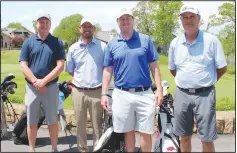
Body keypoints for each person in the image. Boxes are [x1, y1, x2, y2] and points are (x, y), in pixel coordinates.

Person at [101, 8, 163, 152]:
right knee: (127, 131)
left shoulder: (145, 40)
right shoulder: (112, 44)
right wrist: (104, 94)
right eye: (122, 19)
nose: (125, 21)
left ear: (133, 20)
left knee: (146, 132)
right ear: (117, 22)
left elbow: (154, 67)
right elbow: (107, 70)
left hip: (144, 93)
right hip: (122, 94)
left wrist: (159, 89)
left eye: (128, 18)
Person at [168, 5, 227, 152]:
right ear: (181, 20)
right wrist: (188, 82)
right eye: (185, 17)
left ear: (199, 19)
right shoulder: (175, 43)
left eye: (192, 16)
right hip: (182, 94)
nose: (188, 20)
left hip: (205, 94)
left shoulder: (211, 40)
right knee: (184, 136)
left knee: (206, 138)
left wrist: (205, 82)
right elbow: (172, 69)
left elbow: (222, 68)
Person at [19, 13, 65, 152]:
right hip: (32, 88)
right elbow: (23, 65)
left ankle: (54, 148)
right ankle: (31, 149)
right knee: (31, 121)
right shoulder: (28, 42)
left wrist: (44, 81)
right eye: (41, 22)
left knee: (52, 121)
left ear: (50, 24)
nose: (44, 25)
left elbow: (60, 66)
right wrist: (35, 82)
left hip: (50, 87)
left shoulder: (57, 42)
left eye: (46, 22)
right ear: (36, 24)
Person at [65, 18, 106, 152]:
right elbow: (71, 70)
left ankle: (97, 149)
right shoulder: (73, 48)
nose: (87, 29)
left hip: (97, 91)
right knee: (80, 125)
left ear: (94, 29)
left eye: (90, 26)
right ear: (80, 28)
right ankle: (83, 150)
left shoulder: (103, 47)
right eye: (84, 26)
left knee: (97, 126)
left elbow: (107, 69)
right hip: (78, 91)